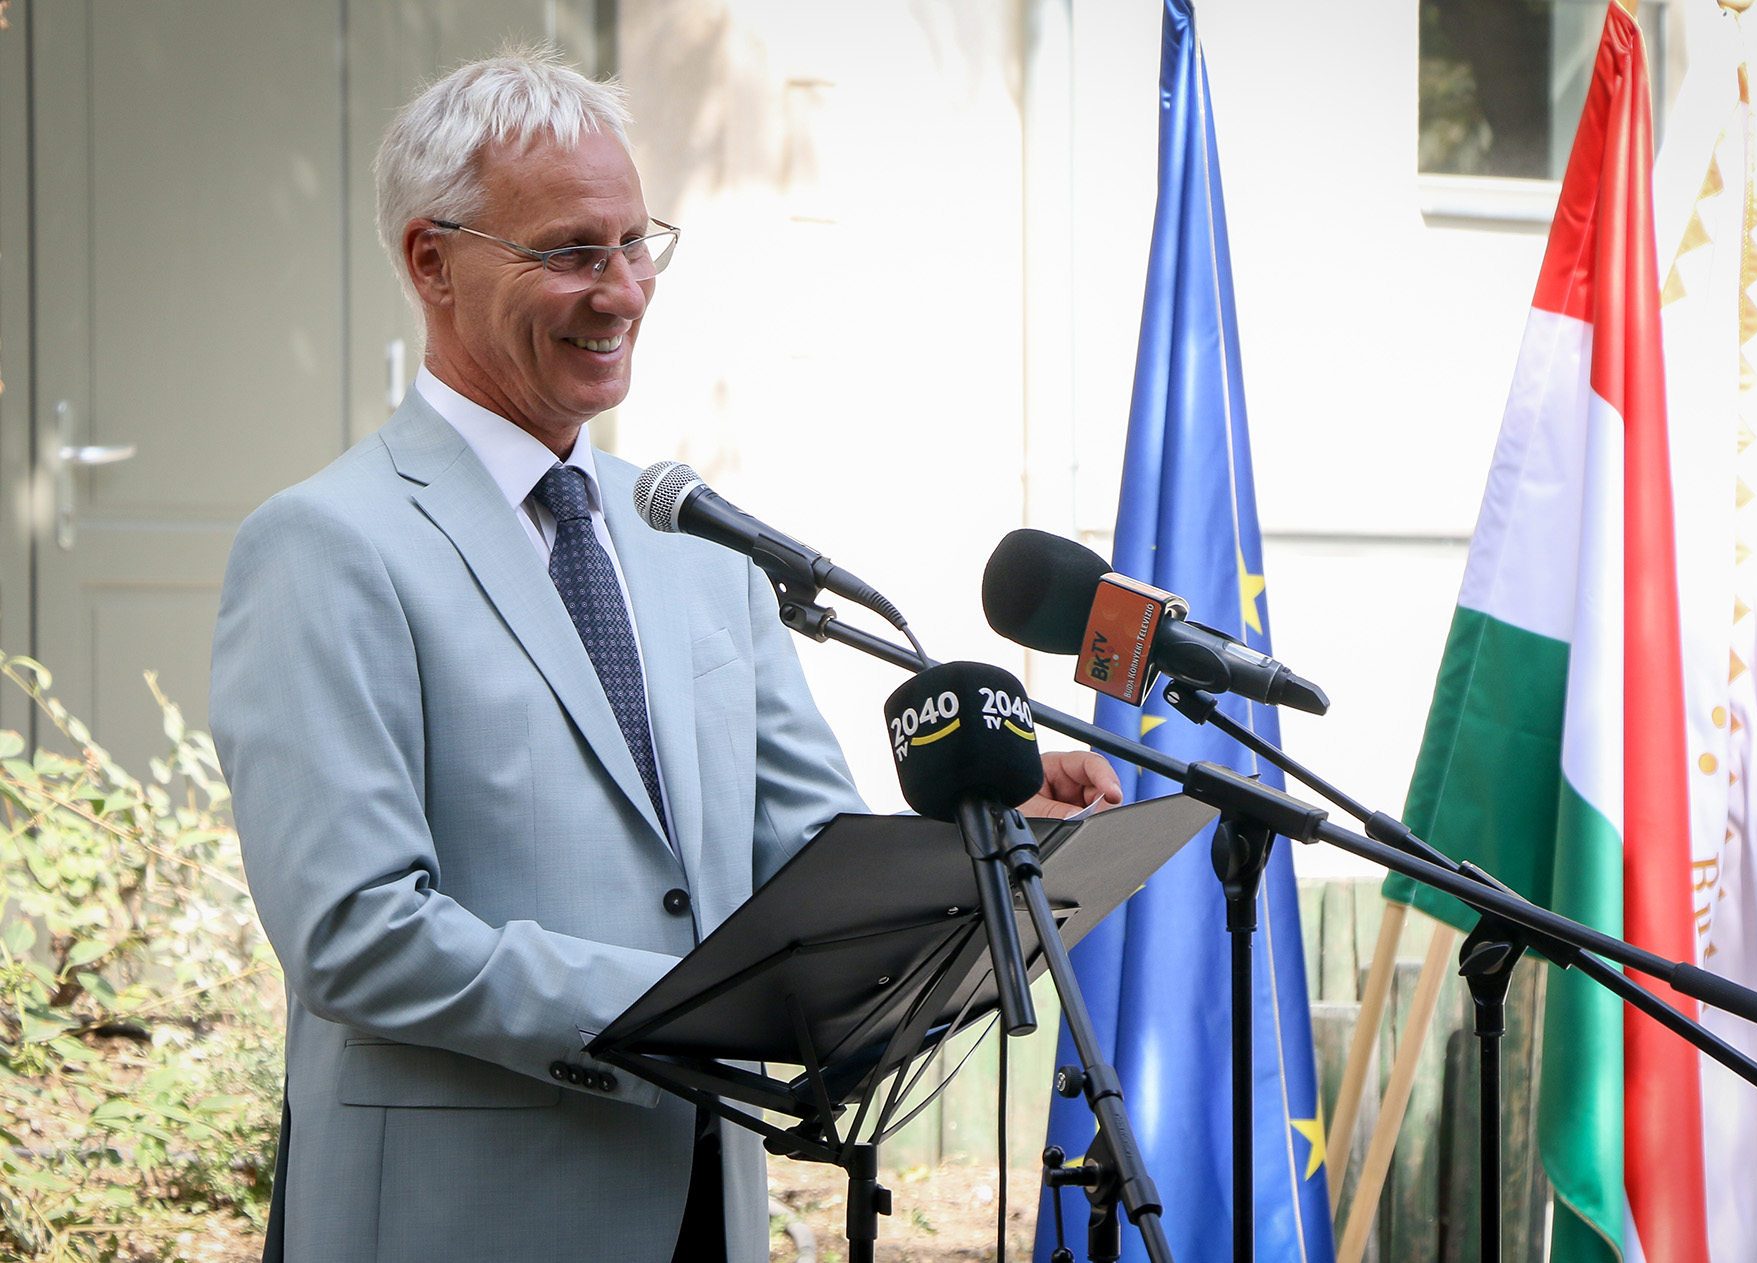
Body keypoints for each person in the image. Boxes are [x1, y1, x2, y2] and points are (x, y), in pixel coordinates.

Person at [210, 50, 1119, 1263]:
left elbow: (800, 858)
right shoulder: (327, 544)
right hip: (461, 1222)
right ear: (432, 262)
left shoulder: (693, 541)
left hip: (704, 1209)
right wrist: (675, 1012)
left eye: (637, 244)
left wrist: (986, 843)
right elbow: (356, 931)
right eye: (572, 253)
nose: (625, 292)